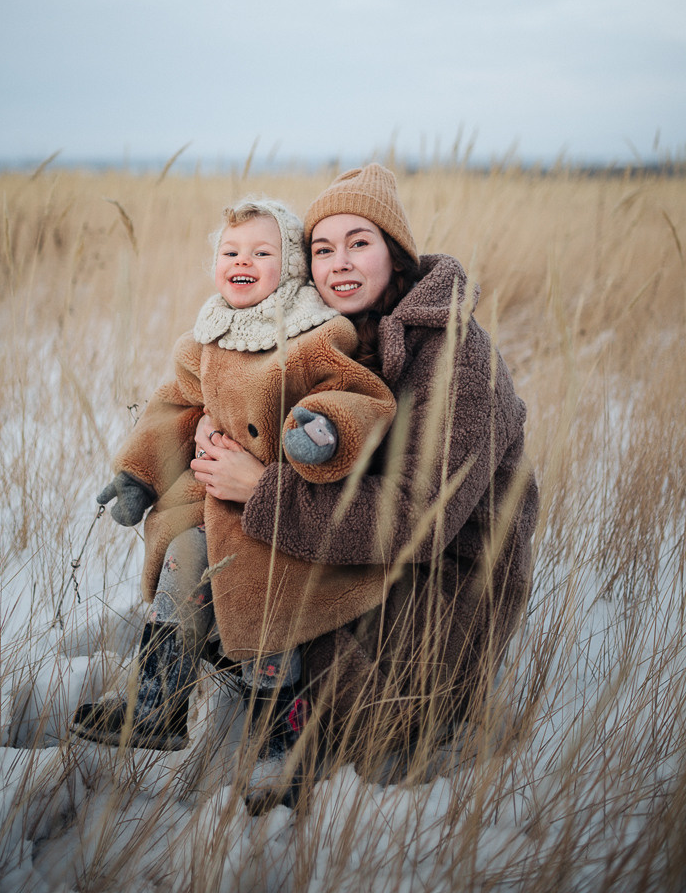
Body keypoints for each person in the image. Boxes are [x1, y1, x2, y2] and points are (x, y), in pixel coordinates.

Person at [191, 164, 538, 798]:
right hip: (367, 561)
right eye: (323, 249)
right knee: (212, 538)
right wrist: (215, 434)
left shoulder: (457, 357)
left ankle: (306, 723)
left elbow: (417, 520)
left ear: (395, 254)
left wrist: (263, 489)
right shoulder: (347, 335)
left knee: (266, 581)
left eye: (359, 243)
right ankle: (210, 669)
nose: (340, 263)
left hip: (438, 607)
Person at [70, 197, 396, 804]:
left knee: (266, 607)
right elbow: (173, 409)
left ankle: (280, 736)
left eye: (261, 252)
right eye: (230, 251)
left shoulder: (317, 333)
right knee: (183, 559)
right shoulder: (205, 338)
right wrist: (138, 476)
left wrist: (324, 429)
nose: (242, 261)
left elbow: (356, 392)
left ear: (291, 267)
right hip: (212, 501)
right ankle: (158, 699)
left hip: (281, 503)